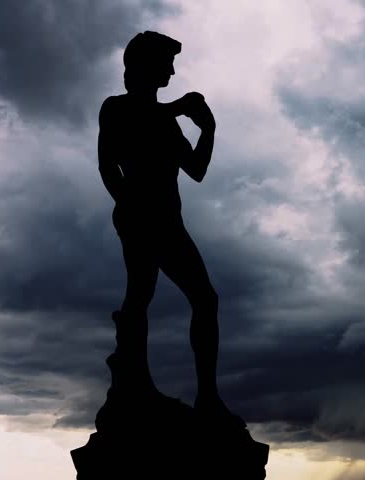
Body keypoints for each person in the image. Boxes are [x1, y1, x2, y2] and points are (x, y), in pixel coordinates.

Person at [97, 31, 232, 423]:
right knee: (153, 296)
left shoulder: (168, 124)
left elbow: (197, 171)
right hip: (140, 217)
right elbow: (107, 164)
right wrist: (126, 201)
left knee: (170, 298)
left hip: (169, 221)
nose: (172, 71)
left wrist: (208, 131)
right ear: (142, 65)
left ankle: (203, 396)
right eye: (165, 63)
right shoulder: (117, 108)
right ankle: (133, 382)